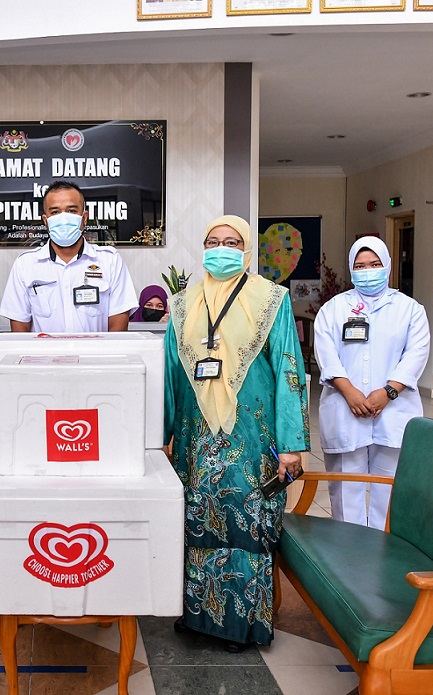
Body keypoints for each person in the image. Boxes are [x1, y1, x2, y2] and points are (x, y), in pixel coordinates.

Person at [164, 214, 309, 652]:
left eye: (231, 241)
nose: (221, 248)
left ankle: (241, 625)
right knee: (197, 521)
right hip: (196, 433)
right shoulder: (183, 303)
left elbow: (288, 370)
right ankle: (198, 616)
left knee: (245, 523)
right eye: (213, 240)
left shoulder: (272, 300)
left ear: (246, 251)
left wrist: (291, 445)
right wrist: (164, 434)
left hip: (251, 433)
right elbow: (172, 372)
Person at [313, 236, 430, 530]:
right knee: (345, 490)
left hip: (393, 410)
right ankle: (347, 553)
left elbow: (416, 354)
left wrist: (389, 391)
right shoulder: (333, 310)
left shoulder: (410, 309)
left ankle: (382, 553)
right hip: (345, 408)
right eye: (360, 265)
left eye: (375, 264)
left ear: (387, 266)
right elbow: (326, 355)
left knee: (388, 488)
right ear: (351, 270)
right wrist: (350, 392)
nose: (368, 270)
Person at [0, 180, 137, 332]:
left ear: (84, 218)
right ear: (46, 221)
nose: (63, 218)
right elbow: (19, 328)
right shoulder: (25, 264)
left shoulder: (110, 261)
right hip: (43, 356)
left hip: (96, 355)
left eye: (71, 211)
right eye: (55, 212)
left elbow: (118, 326)